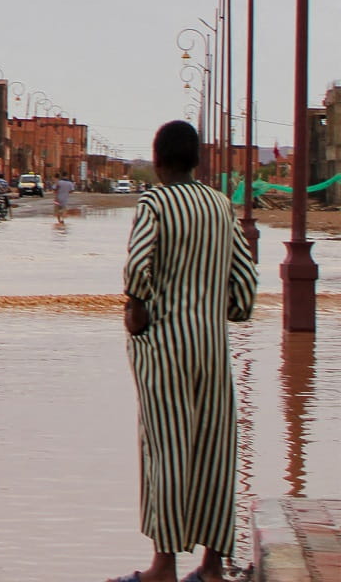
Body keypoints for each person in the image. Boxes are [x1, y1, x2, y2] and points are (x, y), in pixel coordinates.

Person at [112, 120, 256, 582]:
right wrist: (222, 310)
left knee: (167, 448)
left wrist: (136, 310)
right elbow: (245, 287)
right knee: (215, 449)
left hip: (164, 348)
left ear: (157, 162)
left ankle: (164, 566)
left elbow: (137, 267)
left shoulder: (155, 202)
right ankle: (212, 567)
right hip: (213, 350)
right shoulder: (220, 206)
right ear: (197, 160)